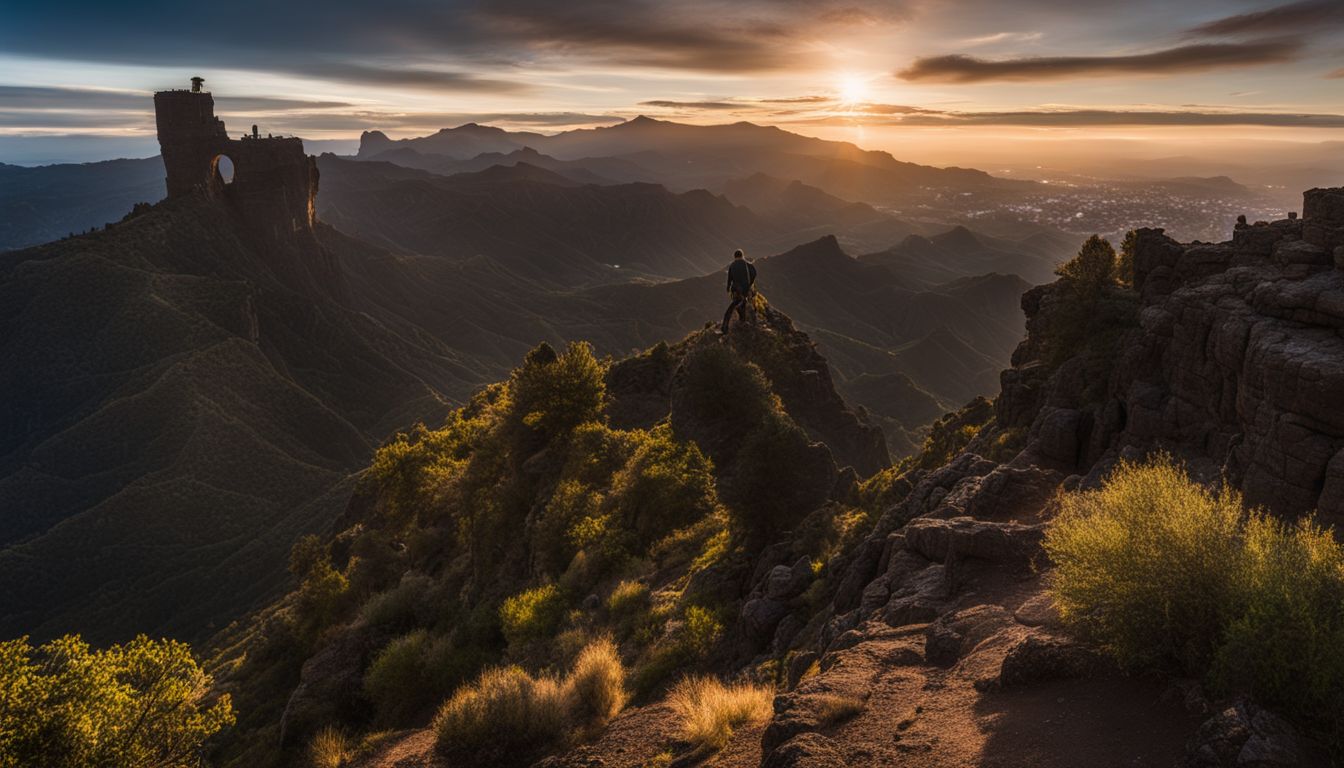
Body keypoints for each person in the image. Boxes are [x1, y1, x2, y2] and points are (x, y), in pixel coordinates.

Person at [721, 249, 757, 334]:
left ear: (734, 257)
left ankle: (725, 327)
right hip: (745, 289)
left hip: (736, 290)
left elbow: (730, 278)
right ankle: (742, 321)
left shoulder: (732, 265)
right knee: (742, 304)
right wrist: (750, 283)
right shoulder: (748, 264)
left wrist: (728, 287)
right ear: (742, 256)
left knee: (733, 305)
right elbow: (754, 273)